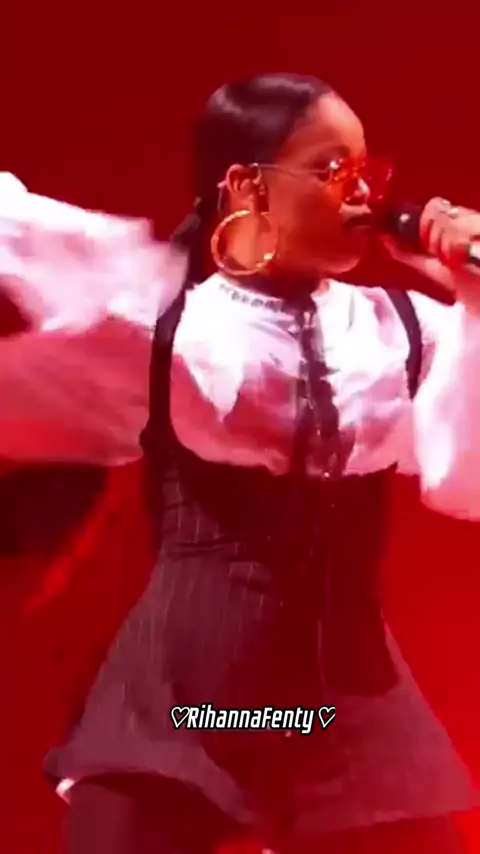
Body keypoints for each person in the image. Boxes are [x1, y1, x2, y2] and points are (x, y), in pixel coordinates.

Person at [4, 73, 480, 853]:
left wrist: (472, 296)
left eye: (368, 171)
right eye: (332, 170)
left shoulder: (402, 329)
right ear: (247, 186)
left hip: (350, 706)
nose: (362, 193)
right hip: (188, 701)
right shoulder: (174, 327)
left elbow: (465, 481)